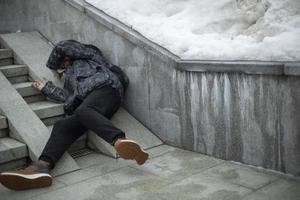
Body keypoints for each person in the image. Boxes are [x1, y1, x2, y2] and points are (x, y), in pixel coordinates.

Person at [0, 40, 149, 191]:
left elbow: (63, 46)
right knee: (62, 125)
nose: (61, 71)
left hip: (107, 89)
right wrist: (47, 88)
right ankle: (41, 167)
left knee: (83, 110)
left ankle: (119, 140)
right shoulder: (69, 81)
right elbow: (70, 100)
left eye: (61, 67)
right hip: (92, 109)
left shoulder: (89, 56)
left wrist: (53, 65)